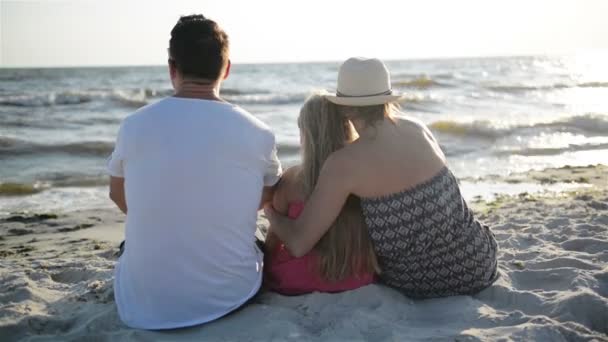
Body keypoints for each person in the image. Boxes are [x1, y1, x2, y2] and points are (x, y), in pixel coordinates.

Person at [265, 57, 498, 299]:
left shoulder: (345, 163)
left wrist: (271, 211)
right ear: (385, 99)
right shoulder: (418, 129)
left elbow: (299, 242)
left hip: (422, 283)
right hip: (479, 261)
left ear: (344, 107)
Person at [107, 15, 282, 329]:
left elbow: (118, 195)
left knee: (129, 244)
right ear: (227, 69)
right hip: (231, 295)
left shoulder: (133, 126)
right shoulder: (259, 132)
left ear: (172, 68)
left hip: (140, 303)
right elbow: (265, 198)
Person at [264, 92, 378, 295]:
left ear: (306, 134)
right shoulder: (363, 175)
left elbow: (274, 241)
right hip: (355, 276)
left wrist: (268, 211)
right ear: (345, 128)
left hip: (299, 278)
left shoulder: (293, 178)